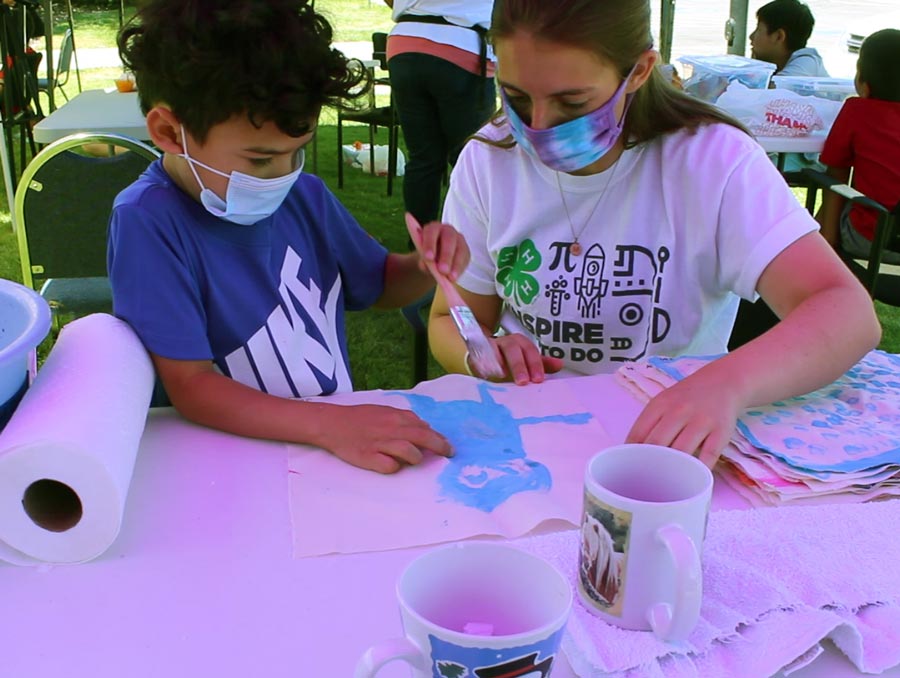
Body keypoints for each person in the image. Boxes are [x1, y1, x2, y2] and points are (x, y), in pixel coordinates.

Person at [427, 0, 881, 468]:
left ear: (640, 71)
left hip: (671, 443)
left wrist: (726, 384)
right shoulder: (489, 161)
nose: (538, 128)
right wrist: (481, 354)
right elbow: (450, 319)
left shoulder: (712, 161)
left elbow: (846, 313)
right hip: (534, 441)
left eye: (573, 103)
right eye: (516, 97)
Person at [109, 0, 472, 475]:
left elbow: (381, 285)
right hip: (230, 468)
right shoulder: (148, 222)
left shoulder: (304, 194)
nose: (281, 174)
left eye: (296, 152)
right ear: (168, 132)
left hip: (329, 449)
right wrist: (332, 426)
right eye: (260, 159)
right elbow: (191, 385)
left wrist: (422, 267)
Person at [383, 0, 496, 226]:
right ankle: (471, 240)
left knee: (423, 158)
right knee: (471, 158)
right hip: (462, 42)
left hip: (405, 41)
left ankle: (422, 248)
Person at [816, 29, 900, 265]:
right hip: (890, 236)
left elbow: (836, 173)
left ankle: (817, 250)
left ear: (864, 84)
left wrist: (829, 235)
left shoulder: (858, 111)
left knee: (830, 188)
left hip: (872, 240)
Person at [749, 0, 828, 77]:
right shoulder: (780, 66)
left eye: (758, 30)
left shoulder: (806, 62)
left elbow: (776, 87)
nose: (751, 36)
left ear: (779, 36)